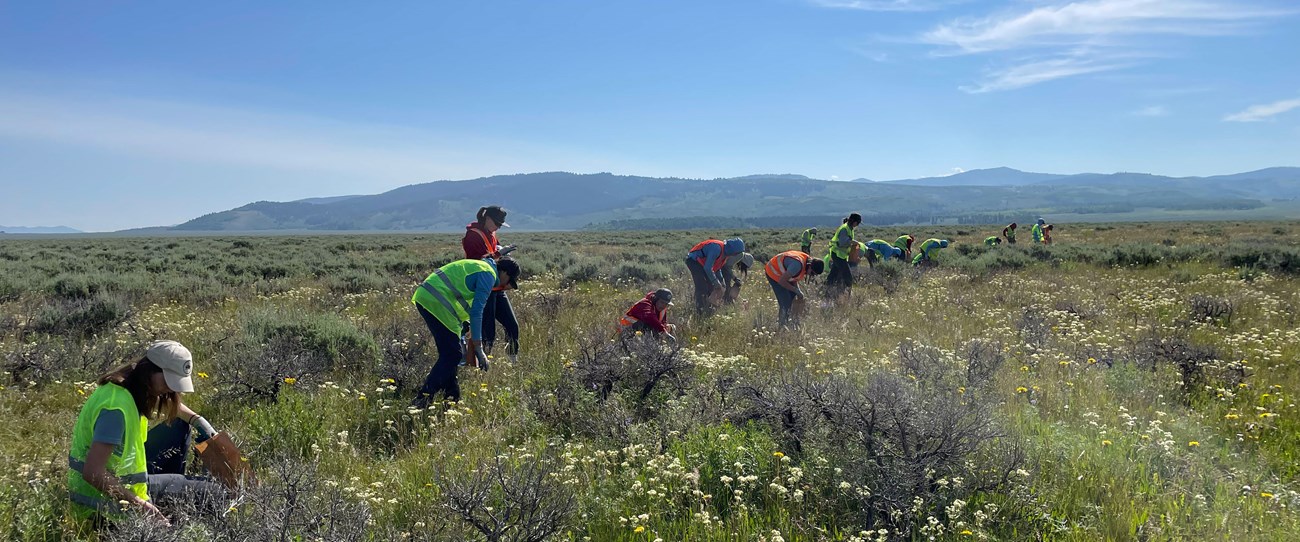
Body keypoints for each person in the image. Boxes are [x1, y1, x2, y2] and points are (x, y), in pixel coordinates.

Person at [68, 340, 226, 525]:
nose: (171, 388)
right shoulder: (115, 409)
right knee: (216, 492)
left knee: (179, 425)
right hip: (105, 502)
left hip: (123, 476)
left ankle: (170, 497)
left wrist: (198, 422)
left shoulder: (131, 385)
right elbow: (92, 472)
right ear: (151, 370)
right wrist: (142, 506)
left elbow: (170, 405)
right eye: (168, 381)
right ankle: (169, 501)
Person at [411, 257, 520, 407]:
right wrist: (479, 349)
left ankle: (452, 398)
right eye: (510, 282)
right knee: (452, 354)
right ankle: (423, 398)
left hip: (430, 298)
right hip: (435, 300)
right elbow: (477, 311)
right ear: (505, 273)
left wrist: (465, 324)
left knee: (450, 354)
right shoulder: (488, 275)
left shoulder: (483, 268)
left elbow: (462, 299)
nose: (507, 287)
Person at [462, 205, 520, 361]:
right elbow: (476, 263)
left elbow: (494, 254)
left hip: (496, 287)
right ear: (487, 219)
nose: (499, 227)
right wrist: (499, 253)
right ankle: (480, 364)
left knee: (512, 325)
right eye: (497, 223)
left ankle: (512, 362)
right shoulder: (472, 235)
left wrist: (501, 252)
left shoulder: (491, 233)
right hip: (484, 285)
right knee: (488, 331)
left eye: (501, 224)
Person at [685, 238, 748, 314]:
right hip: (694, 260)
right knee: (702, 286)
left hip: (702, 263)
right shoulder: (717, 248)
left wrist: (721, 282)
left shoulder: (725, 255)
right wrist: (716, 282)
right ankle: (700, 311)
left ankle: (708, 307)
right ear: (732, 250)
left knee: (711, 286)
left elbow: (717, 268)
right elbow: (708, 268)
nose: (735, 255)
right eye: (736, 253)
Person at [766, 250, 824, 327]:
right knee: (786, 302)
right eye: (812, 273)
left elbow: (793, 277)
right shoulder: (797, 266)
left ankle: (792, 321)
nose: (811, 276)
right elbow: (782, 281)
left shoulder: (806, 262)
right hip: (774, 272)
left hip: (784, 275)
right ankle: (782, 326)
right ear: (810, 266)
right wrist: (796, 290)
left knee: (793, 296)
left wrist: (798, 291)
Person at [825, 214, 862, 298]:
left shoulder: (849, 228)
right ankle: (847, 295)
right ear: (855, 222)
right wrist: (853, 242)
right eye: (858, 223)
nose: (857, 225)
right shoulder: (845, 229)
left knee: (833, 274)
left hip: (840, 255)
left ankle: (826, 291)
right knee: (848, 276)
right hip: (838, 255)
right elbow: (842, 243)